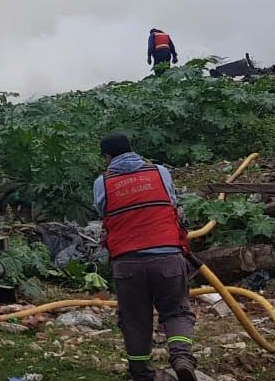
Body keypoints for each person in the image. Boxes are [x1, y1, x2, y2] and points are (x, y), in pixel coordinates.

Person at [93, 133, 197, 381]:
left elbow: (103, 211)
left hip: (127, 262)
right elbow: (171, 202)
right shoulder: (160, 172)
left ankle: (141, 374)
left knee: (135, 320)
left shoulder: (102, 183)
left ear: (107, 157)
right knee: (176, 312)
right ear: (132, 149)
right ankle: (181, 356)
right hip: (167, 257)